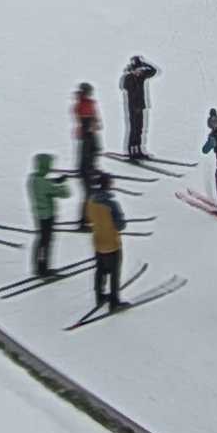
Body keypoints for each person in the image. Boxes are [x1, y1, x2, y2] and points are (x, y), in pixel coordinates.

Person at [85, 176, 126, 311]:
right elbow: (120, 226)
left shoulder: (91, 201)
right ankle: (114, 302)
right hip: (112, 244)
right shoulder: (112, 204)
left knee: (100, 270)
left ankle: (99, 295)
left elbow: (89, 218)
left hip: (98, 242)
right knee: (114, 273)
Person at [25, 153, 69, 278]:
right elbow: (64, 194)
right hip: (47, 215)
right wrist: (62, 184)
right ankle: (43, 268)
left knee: (40, 240)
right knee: (46, 242)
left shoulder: (33, 179)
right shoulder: (44, 184)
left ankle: (37, 266)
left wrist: (53, 180)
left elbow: (43, 183)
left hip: (38, 214)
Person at [120, 54, 157, 159]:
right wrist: (129, 72)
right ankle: (131, 151)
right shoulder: (128, 78)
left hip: (140, 106)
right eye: (138, 69)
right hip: (132, 107)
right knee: (134, 130)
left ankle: (139, 150)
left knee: (140, 129)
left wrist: (144, 64)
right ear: (133, 69)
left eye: (141, 69)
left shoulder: (141, 77)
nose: (140, 71)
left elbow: (153, 71)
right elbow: (125, 87)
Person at [70, 80, 101, 185]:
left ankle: (91, 166)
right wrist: (87, 124)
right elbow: (78, 115)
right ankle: (83, 169)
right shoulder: (80, 103)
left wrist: (96, 122)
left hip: (91, 127)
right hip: (85, 128)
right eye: (89, 92)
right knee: (85, 150)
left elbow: (94, 113)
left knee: (95, 148)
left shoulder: (90, 102)